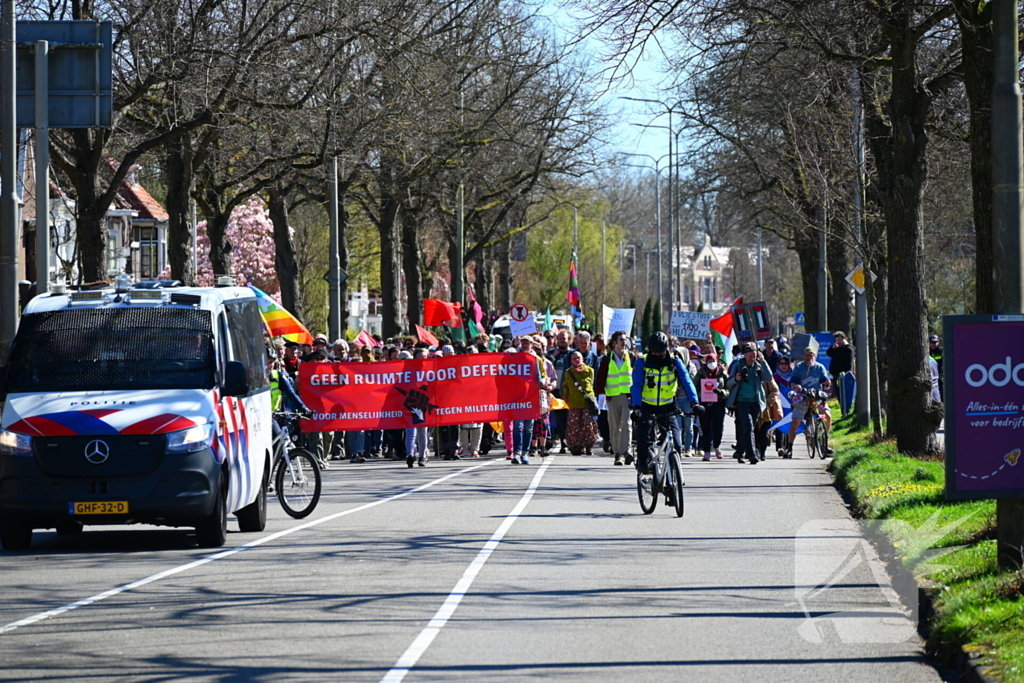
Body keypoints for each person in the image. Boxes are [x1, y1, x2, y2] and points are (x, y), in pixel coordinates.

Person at [629, 331, 701, 474]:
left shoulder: (675, 362)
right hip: (646, 406)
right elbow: (636, 385)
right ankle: (643, 463)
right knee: (643, 437)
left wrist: (694, 402)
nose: (658, 356)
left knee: (676, 442)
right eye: (655, 353)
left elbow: (686, 381)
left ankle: (675, 474)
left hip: (667, 407)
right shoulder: (641, 362)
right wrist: (636, 407)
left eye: (661, 352)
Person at [725, 342, 773, 464]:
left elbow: (768, 378)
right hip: (741, 401)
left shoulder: (758, 366)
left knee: (748, 429)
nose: (752, 358)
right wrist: (736, 379)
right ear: (745, 355)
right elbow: (728, 383)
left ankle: (740, 452)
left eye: (755, 356)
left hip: (755, 402)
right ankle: (751, 454)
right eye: (750, 356)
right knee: (748, 426)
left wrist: (763, 362)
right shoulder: (738, 365)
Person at [783, 346, 834, 458]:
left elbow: (825, 382)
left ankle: (824, 441)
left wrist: (827, 384)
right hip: (802, 396)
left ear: (814, 356)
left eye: (811, 355)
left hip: (816, 396)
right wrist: (796, 386)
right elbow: (792, 382)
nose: (808, 357)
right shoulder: (799, 367)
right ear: (803, 356)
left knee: (828, 415)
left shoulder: (820, 367)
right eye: (806, 355)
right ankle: (790, 448)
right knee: (796, 421)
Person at [596, 331, 633, 466]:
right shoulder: (607, 358)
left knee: (626, 423)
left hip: (627, 396)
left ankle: (626, 451)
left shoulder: (632, 357)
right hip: (612, 397)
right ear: (614, 343)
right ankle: (617, 453)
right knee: (614, 426)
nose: (624, 343)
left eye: (625, 340)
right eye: (621, 340)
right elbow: (601, 378)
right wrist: (601, 395)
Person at [562, 350, 599, 455]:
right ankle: (576, 446)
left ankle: (589, 445)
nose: (577, 360)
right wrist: (566, 395)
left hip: (587, 401)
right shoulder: (568, 372)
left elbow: (592, 384)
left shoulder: (590, 370)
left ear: (583, 359)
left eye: (578, 358)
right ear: (571, 361)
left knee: (588, 423)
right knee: (575, 424)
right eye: (574, 358)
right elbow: (565, 385)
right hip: (574, 401)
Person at [695, 352, 728, 460]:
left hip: (719, 403)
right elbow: (693, 385)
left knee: (718, 427)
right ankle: (707, 451)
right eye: (709, 361)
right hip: (705, 403)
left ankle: (717, 447)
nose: (711, 363)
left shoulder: (722, 373)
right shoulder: (701, 372)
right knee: (705, 427)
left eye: (713, 361)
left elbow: (729, 388)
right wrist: (701, 389)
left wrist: (721, 392)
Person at [547, 330, 573, 453]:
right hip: (555, 390)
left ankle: (572, 441)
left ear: (569, 340)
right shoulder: (551, 353)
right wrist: (553, 356)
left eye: (565, 338)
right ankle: (563, 443)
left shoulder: (573, 353)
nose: (562, 340)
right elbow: (545, 366)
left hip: (569, 391)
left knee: (570, 418)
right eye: (560, 338)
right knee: (560, 419)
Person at [929, 334, 943, 399]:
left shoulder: (941, 351)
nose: (933, 344)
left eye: (934, 342)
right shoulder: (927, 351)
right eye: (931, 342)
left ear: (938, 343)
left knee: (942, 391)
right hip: (932, 376)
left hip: (940, 376)